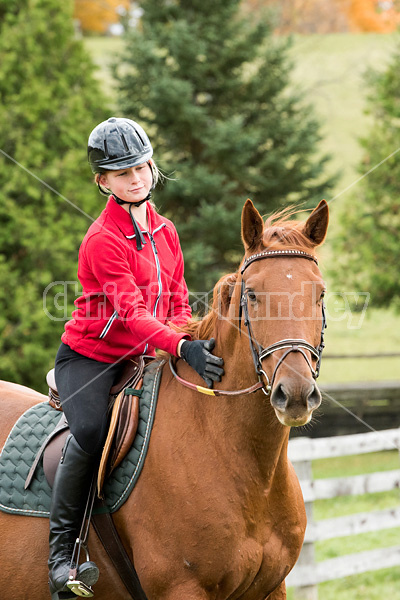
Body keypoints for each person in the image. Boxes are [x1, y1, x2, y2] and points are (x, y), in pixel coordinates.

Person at [48, 117, 224, 599]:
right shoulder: (102, 240)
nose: (138, 178)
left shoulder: (166, 230)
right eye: (124, 173)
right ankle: (62, 556)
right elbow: (131, 314)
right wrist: (180, 345)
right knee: (88, 430)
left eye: (143, 167)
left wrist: (190, 339)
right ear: (102, 181)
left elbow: (179, 301)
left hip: (150, 351)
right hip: (93, 357)